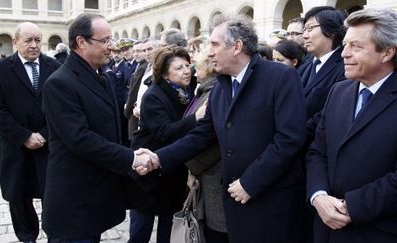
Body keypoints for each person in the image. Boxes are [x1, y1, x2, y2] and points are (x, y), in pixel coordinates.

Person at [135, 14, 307, 243]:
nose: (208, 52)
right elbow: (200, 135)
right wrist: (158, 158)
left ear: (237, 46)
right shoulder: (220, 88)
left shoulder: (280, 77)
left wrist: (250, 182)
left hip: (272, 200)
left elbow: (289, 139)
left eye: (214, 45)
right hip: (234, 205)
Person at [41, 13, 151, 242]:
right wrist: (129, 158)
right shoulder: (60, 83)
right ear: (81, 42)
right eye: (105, 41)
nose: (112, 47)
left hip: (96, 196)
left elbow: (113, 126)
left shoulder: (102, 77)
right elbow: (80, 139)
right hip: (74, 200)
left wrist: (135, 149)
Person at [306, 8, 397, 243]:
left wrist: (351, 207)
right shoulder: (339, 90)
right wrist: (318, 196)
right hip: (324, 228)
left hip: (376, 231)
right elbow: (318, 151)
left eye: (356, 47)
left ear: (387, 52)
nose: (344, 54)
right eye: (345, 45)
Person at [0, 22, 61, 243]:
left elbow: (62, 108)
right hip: (16, 146)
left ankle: (54, 234)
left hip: (49, 145)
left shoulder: (54, 67)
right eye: (28, 40)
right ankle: (27, 236)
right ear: (15, 41)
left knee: (53, 194)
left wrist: (45, 133)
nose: (34, 45)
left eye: (38, 40)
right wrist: (24, 136)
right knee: (18, 195)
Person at [129, 44, 203, 243]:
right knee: (141, 228)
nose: (186, 71)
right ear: (164, 73)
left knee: (169, 225)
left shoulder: (188, 90)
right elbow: (164, 132)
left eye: (188, 65)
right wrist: (196, 118)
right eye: (179, 68)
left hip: (173, 168)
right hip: (148, 169)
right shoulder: (154, 95)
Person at [183, 46, 228, 242]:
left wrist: (193, 168)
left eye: (196, 66)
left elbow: (211, 138)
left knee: (215, 231)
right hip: (202, 171)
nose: (193, 71)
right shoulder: (202, 90)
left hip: (211, 172)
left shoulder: (213, 92)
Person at [299, 6, 347, 140]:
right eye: (304, 30)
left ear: (331, 30)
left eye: (310, 28)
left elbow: (328, 113)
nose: (304, 35)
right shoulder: (305, 67)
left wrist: (296, 134)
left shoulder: (345, 67)